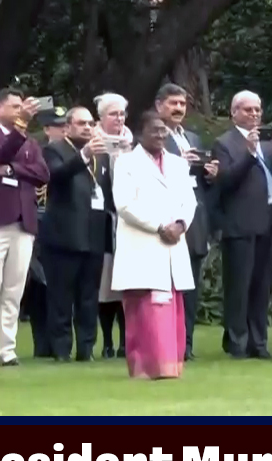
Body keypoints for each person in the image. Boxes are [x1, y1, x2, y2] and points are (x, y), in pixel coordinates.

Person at [111, 111, 198, 380]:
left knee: (170, 306)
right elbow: (124, 205)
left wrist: (181, 224)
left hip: (174, 244)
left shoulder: (177, 163)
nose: (161, 135)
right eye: (154, 130)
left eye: (164, 131)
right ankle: (145, 367)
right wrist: (160, 226)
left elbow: (190, 201)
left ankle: (171, 366)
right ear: (140, 133)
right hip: (144, 243)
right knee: (146, 309)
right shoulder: (125, 162)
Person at [0, 88, 48, 367]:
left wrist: (13, 170)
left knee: (14, 289)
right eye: (14, 107)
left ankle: (8, 349)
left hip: (23, 221)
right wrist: (21, 129)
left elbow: (42, 174)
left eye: (21, 107)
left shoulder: (29, 141)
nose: (19, 111)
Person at [212, 90, 272, 359]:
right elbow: (226, 181)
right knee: (239, 287)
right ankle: (237, 341)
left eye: (257, 110)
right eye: (248, 110)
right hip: (240, 224)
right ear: (234, 113)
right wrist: (249, 154)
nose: (254, 114)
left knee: (262, 285)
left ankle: (259, 341)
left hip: (268, 222)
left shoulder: (268, 143)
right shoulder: (224, 143)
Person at [41, 106, 115, 362]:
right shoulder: (54, 150)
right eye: (81, 123)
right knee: (62, 297)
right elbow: (55, 176)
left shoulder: (101, 156)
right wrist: (83, 155)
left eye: (90, 123)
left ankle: (86, 348)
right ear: (67, 126)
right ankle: (61, 349)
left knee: (89, 297)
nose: (86, 127)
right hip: (64, 236)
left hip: (93, 235)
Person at [157, 83, 219, 361]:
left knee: (191, 284)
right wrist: (178, 162)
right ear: (160, 106)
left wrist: (210, 172)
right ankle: (165, 343)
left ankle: (187, 343)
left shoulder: (192, 136)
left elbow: (199, 185)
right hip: (167, 221)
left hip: (195, 219)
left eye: (182, 104)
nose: (179, 109)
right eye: (173, 104)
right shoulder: (155, 138)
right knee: (166, 286)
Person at [25, 107, 67, 358]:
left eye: (65, 125)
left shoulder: (70, 153)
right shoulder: (36, 151)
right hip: (37, 223)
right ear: (47, 129)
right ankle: (41, 342)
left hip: (58, 226)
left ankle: (56, 342)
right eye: (58, 126)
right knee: (37, 287)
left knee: (57, 288)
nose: (63, 129)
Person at [94, 92, 133, 358]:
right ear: (101, 117)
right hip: (101, 222)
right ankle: (106, 341)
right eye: (113, 114)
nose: (118, 119)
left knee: (126, 285)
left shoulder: (132, 145)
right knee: (105, 286)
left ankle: (124, 342)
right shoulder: (92, 143)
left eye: (121, 114)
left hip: (127, 223)